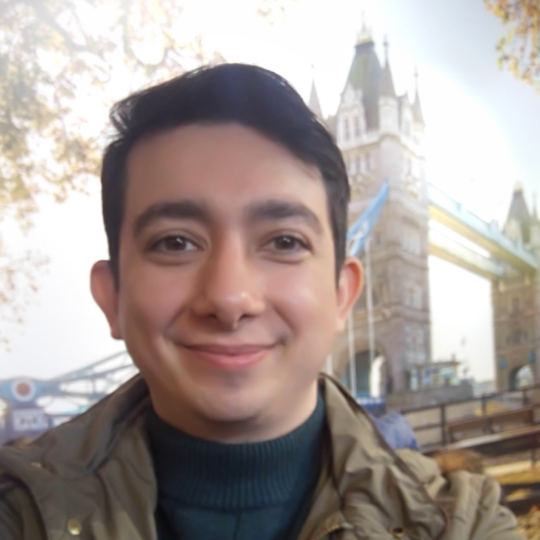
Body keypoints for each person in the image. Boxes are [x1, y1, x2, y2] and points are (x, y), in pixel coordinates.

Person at [0, 63, 523, 540]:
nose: (230, 298)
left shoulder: (461, 524)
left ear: (342, 294)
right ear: (112, 295)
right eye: (175, 242)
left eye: (285, 242)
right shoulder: (18, 516)